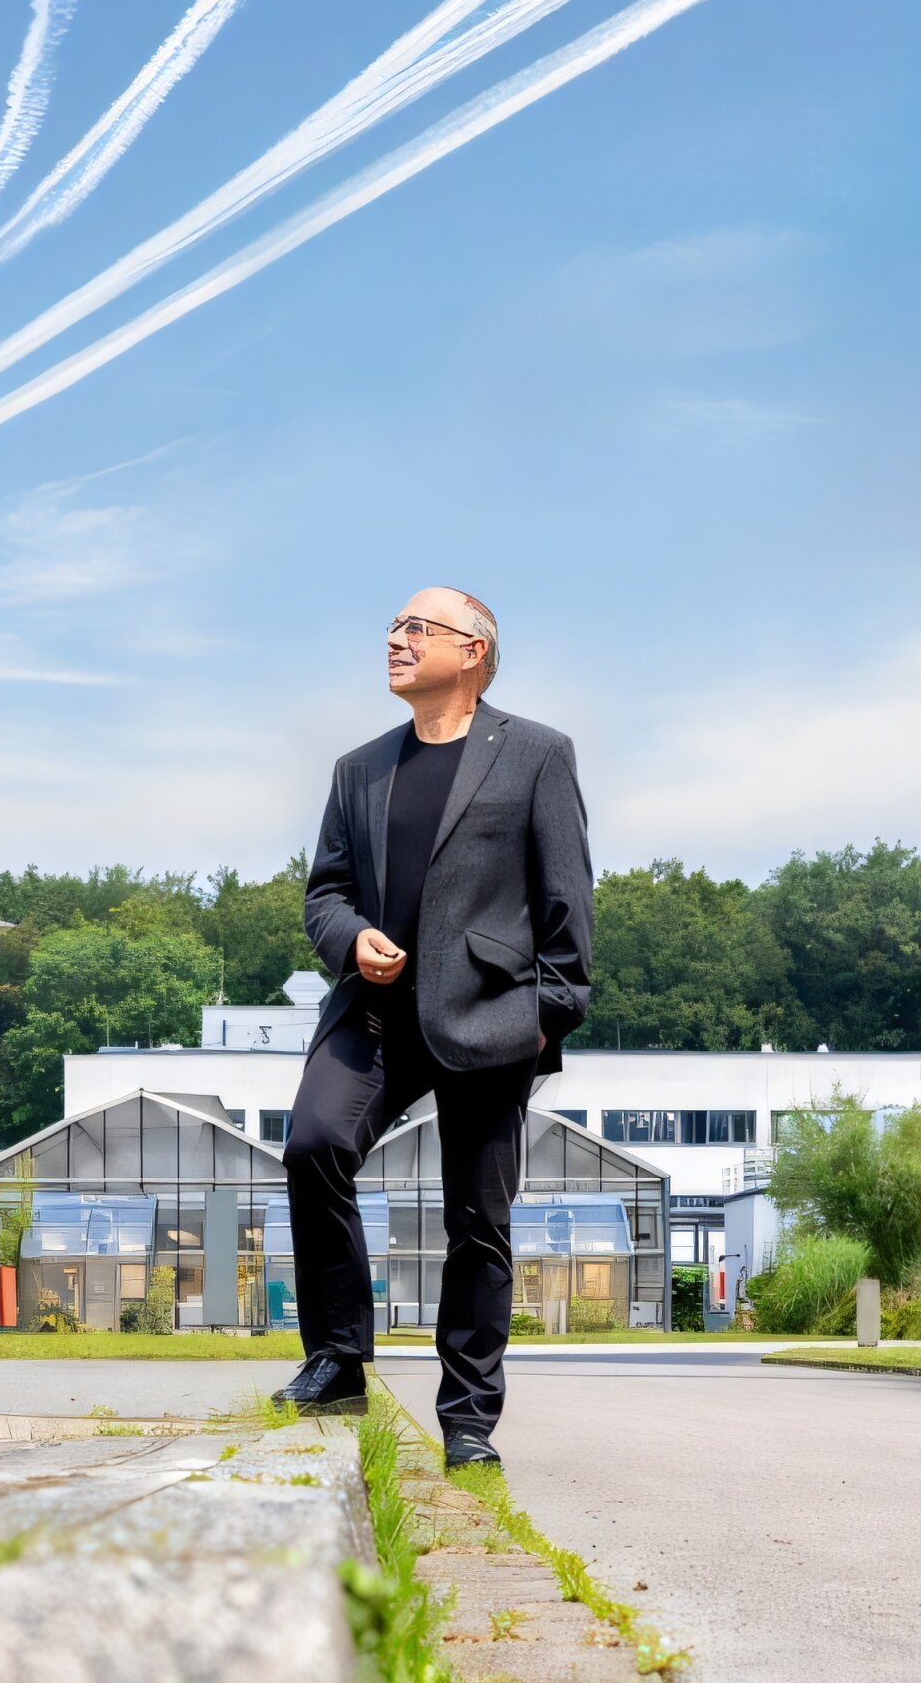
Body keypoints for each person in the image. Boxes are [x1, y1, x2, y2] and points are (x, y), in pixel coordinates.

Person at [272, 586, 593, 1466]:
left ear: (475, 650)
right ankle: (337, 1358)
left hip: (490, 1015)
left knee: (477, 1222)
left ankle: (467, 1419)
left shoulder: (535, 754)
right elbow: (325, 893)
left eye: (419, 627)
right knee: (313, 1144)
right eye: (392, 627)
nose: (397, 639)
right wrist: (352, 938)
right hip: (375, 1013)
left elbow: (566, 894)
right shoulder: (359, 768)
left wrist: (546, 1017)